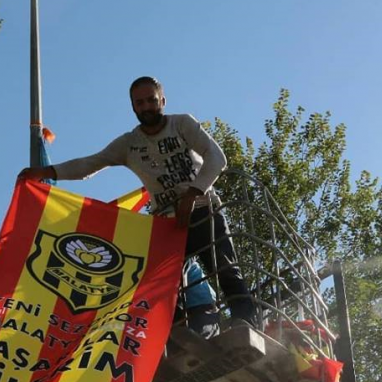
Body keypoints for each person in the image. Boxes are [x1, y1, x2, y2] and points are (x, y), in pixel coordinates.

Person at [18, 76, 257, 327]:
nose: (146, 107)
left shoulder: (182, 124)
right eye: (139, 103)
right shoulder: (129, 144)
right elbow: (89, 164)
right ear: (133, 107)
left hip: (203, 210)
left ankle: (245, 321)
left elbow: (217, 157)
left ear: (162, 100)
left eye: (151, 100)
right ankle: (177, 334)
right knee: (161, 284)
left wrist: (193, 192)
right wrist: (46, 172)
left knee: (224, 266)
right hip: (166, 224)